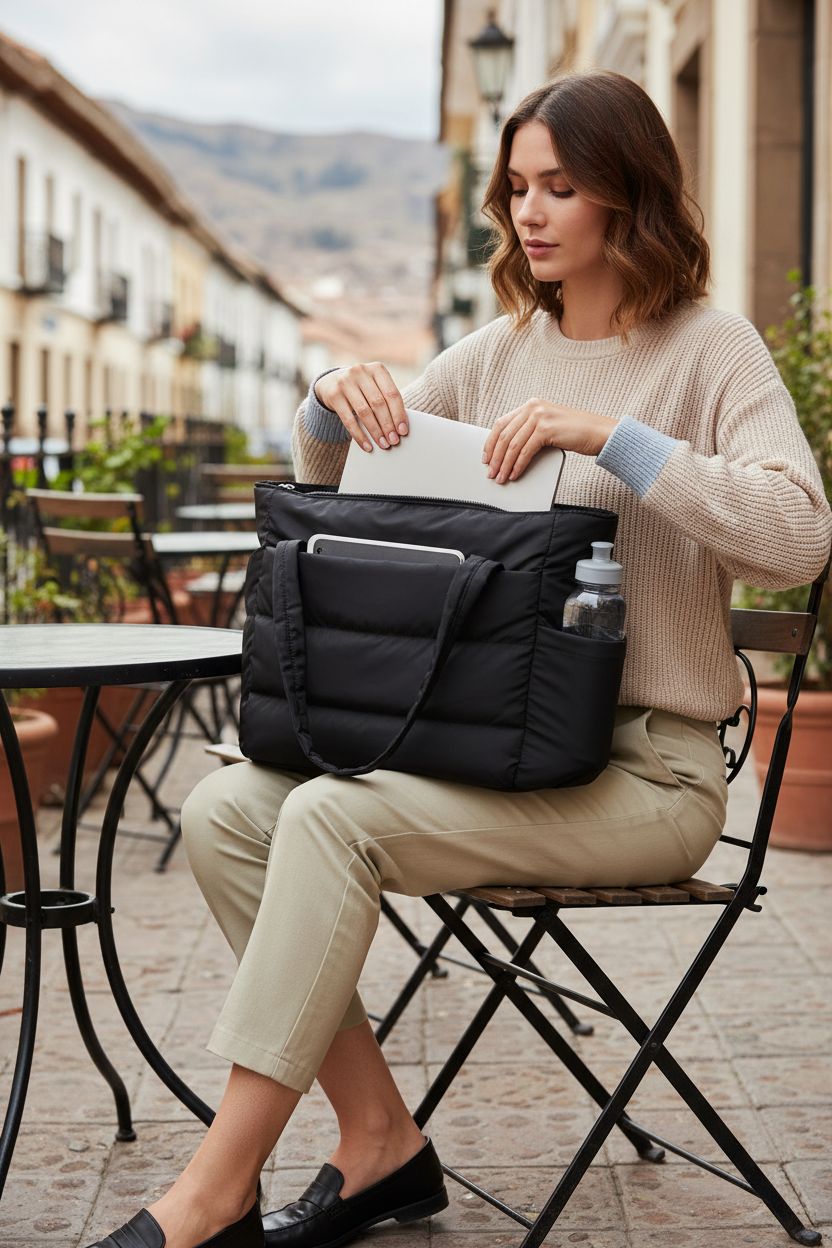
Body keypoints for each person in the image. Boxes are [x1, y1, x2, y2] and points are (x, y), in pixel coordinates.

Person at [86, 70, 831, 1248]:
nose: (529, 213)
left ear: (627, 198)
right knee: (229, 805)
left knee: (332, 820)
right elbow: (346, 494)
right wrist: (330, 405)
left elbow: (797, 536)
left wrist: (617, 441)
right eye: (516, 187)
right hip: (490, 744)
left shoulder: (710, 349)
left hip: (644, 774)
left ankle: (210, 1190)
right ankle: (379, 1142)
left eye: (561, 188)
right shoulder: (497, 351)